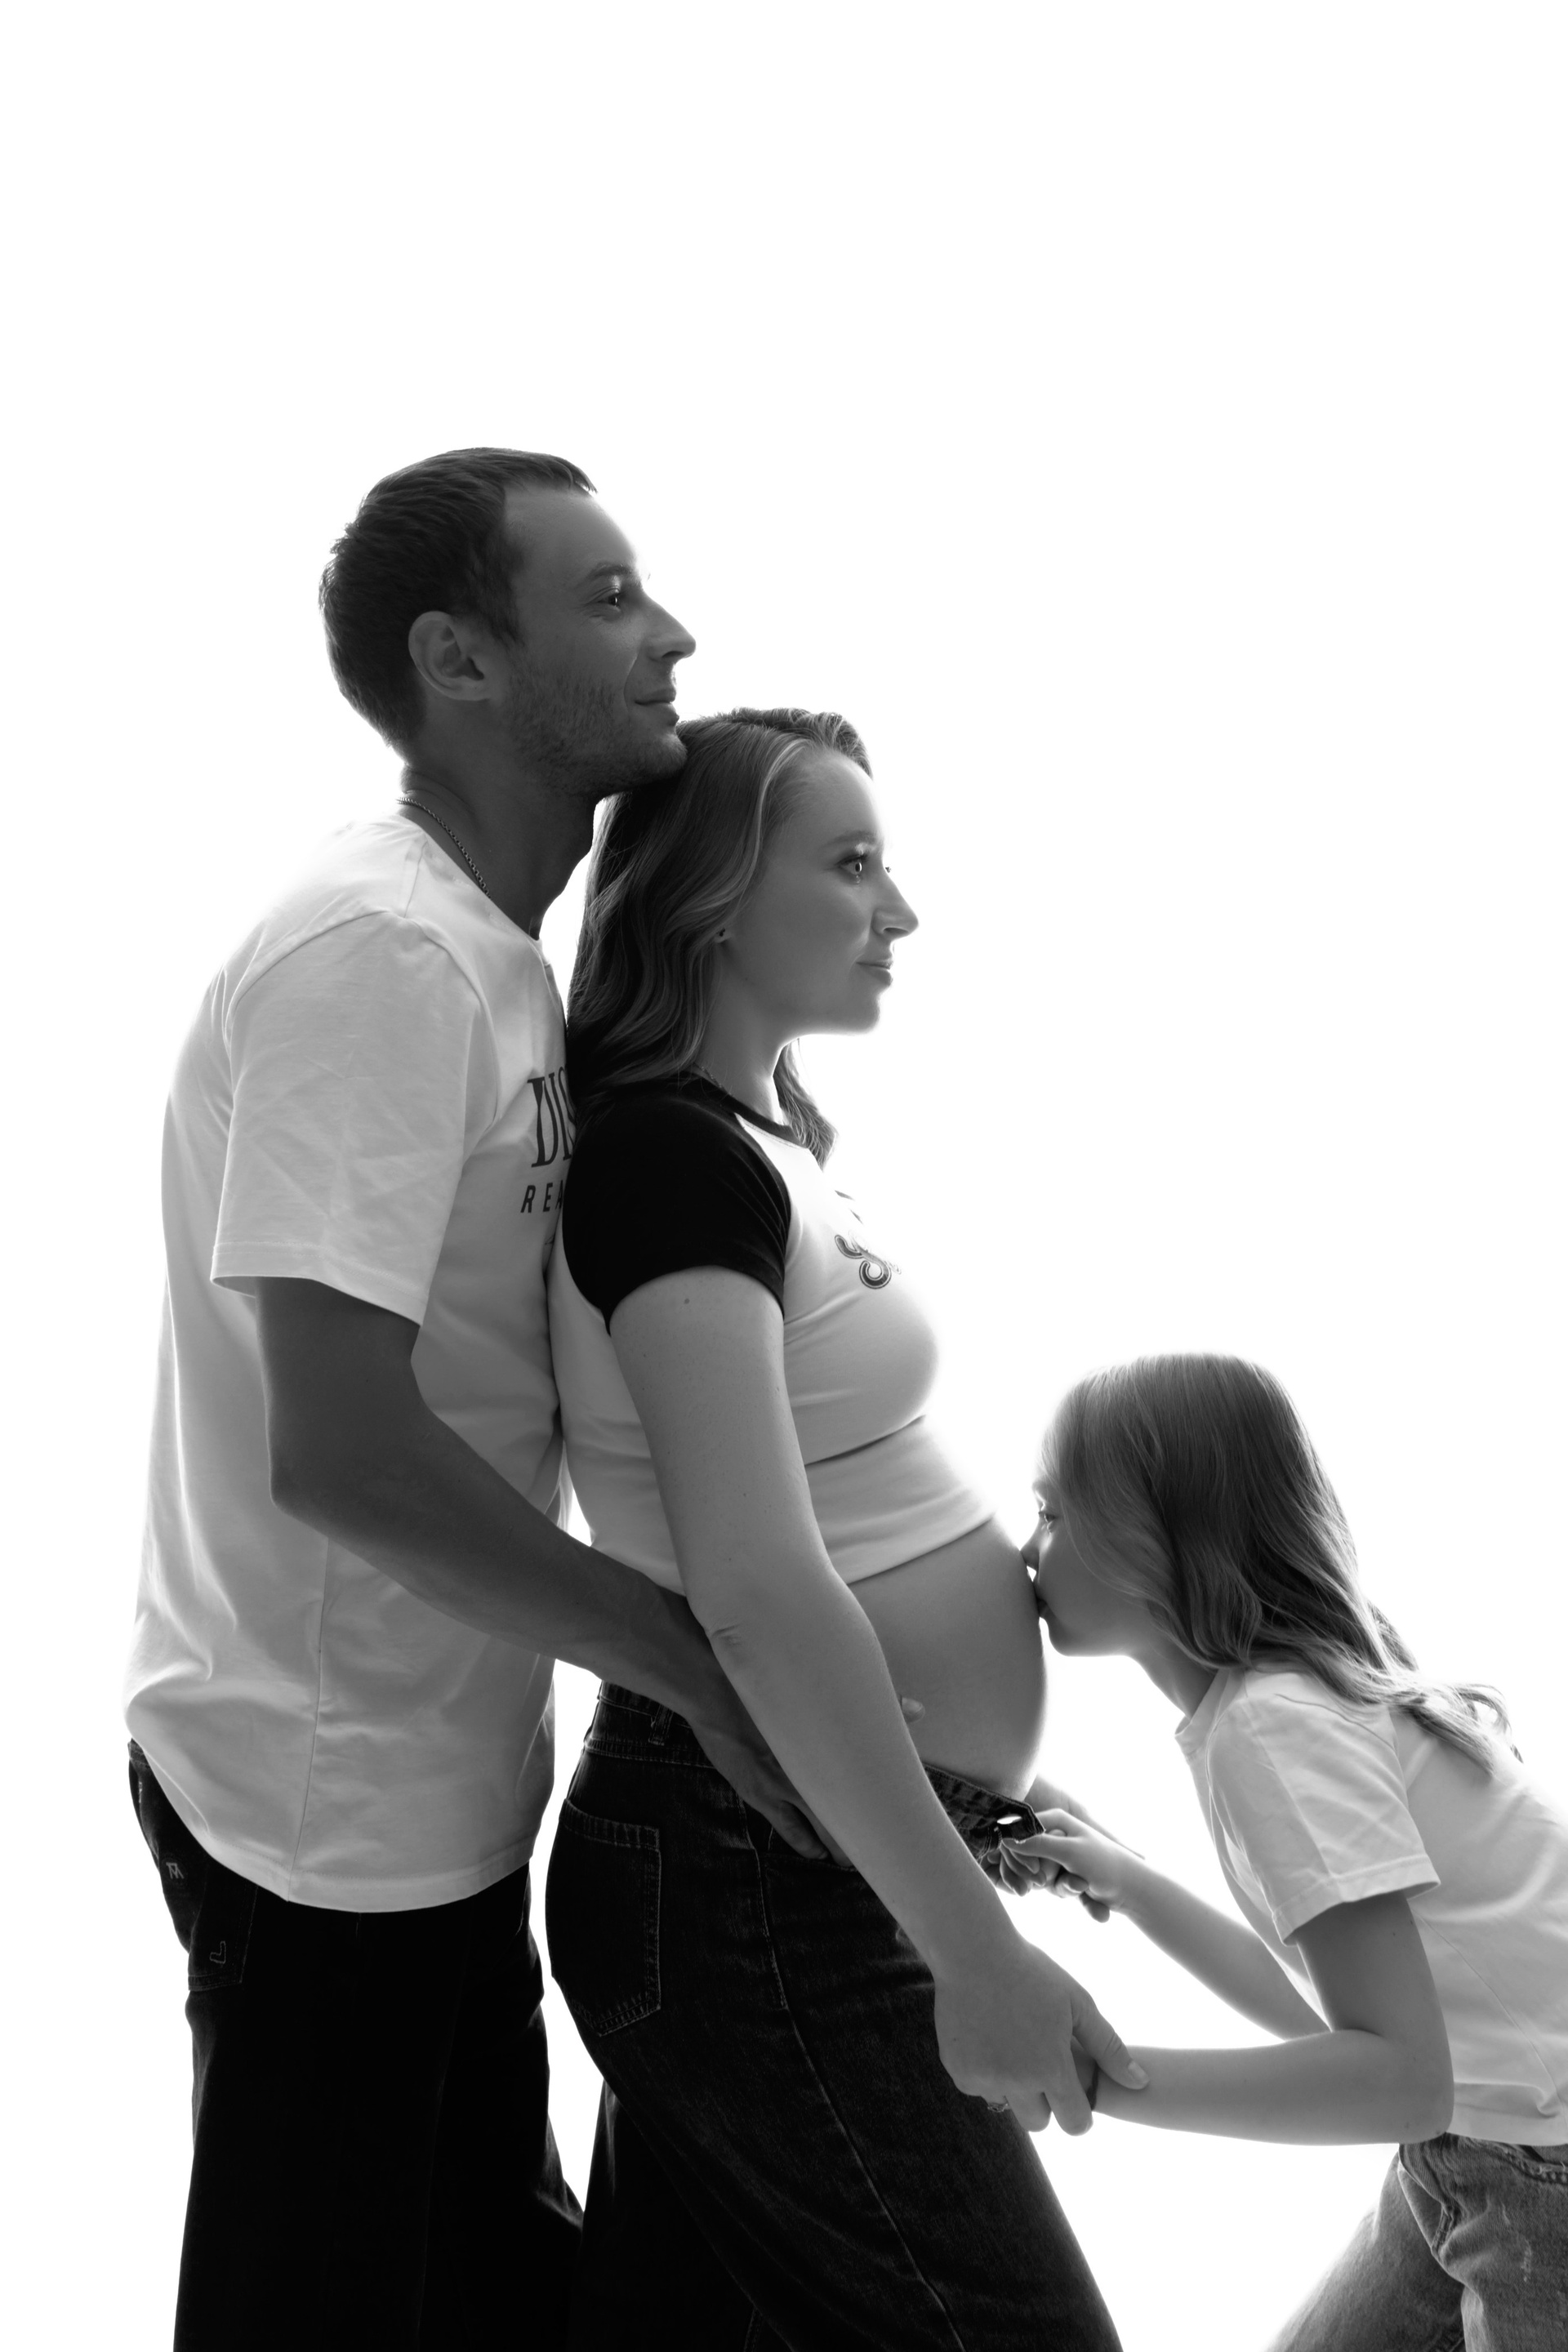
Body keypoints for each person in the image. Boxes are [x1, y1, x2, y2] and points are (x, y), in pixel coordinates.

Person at [123, 450, 818, 2351]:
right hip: (316, 1818)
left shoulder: (494, 962)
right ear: (458, 660)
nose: (672, 634)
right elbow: (343, 1449)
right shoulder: (381, 955)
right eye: (607, 597)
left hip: (436, 1793)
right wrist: (692, 1668)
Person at [545, 706, 1144, 2350]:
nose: (902, 910)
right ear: (713, 899)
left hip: (783, 1851)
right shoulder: (669, 1164)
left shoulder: (762, 1148)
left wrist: (963, 1795)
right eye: (853, 863)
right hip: (759, 1875)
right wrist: (971, 1946)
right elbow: (750, 1587)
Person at [1013, 1352, 1568, 2350]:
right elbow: (1330, 2018)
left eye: (1051, 1512)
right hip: (1482, 2137)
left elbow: (1397, 2082)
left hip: (1538, 2168)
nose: (1025, 1549)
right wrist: (1130, 1883)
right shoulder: (1277, 1703)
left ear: (1152, 1539)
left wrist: (1096, 2080)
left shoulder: (1271, 1729)